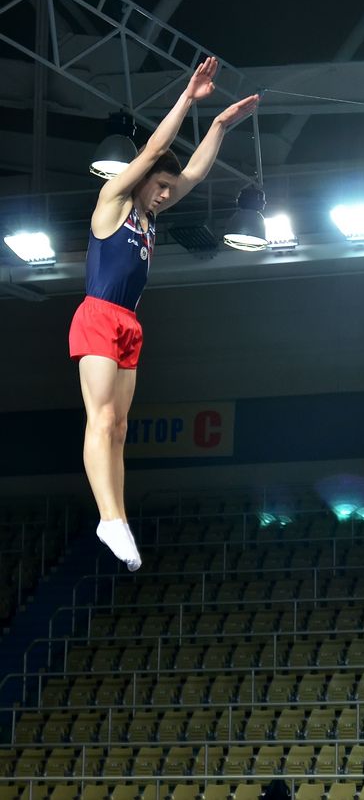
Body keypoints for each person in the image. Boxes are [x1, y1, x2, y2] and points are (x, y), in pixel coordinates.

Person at [69, 57, 259, 570]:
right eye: (160, 186)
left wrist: (220, 125)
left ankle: (118, 518)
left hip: (130, 324)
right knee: (101, 418)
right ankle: (108, 517)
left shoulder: (149, 216)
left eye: (168, 190)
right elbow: (155, 149)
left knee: (120, 427)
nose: (166, 194)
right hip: (99, 314)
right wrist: (188, 99)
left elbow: (193, 173)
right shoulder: (113, 201)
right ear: (142, 178)